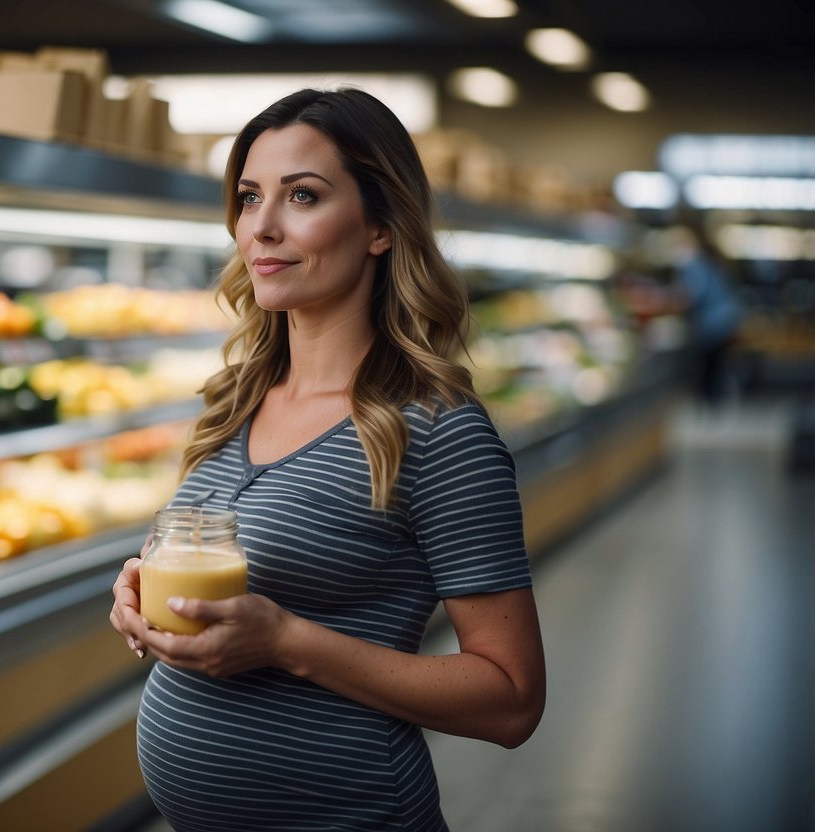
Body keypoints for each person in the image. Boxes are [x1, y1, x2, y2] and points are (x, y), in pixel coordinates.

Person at [109, 88, 546, 832]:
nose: (262, 228)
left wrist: (285, 641)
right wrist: (144, 589)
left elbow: (510, 700)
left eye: (301, 196)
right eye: (249, 199)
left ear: (379, 226)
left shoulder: (438, 432)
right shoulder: (236, 398)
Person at [666, 225, 744, 406]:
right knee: (717, 367)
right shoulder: (707, 262)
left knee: (710, 368)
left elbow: (690, 295)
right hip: (724, 321)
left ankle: (712, 403)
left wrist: (665, 301)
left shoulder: (695, 264)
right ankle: (716, 401)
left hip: (714, 325)